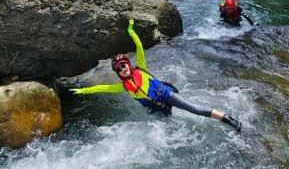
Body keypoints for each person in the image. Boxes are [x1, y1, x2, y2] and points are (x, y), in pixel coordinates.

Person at [71, 20, 242, 132]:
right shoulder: (123, 86)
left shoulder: (141, 68)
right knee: (170, 130)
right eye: (119, 69)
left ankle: (227, 119)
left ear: (128, 65)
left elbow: (138, 46)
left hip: (167, 94)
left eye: (124, 65)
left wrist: (131, 31)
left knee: (195, 109)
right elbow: (102, 88)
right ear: (118, 73)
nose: (123, 69)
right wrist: (84, 91)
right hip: (158, 108)